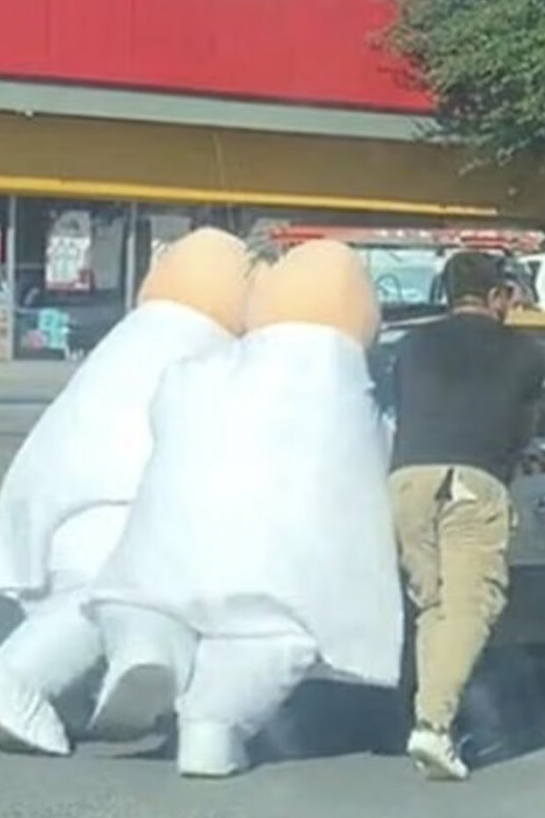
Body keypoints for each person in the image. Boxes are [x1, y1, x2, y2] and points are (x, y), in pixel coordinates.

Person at [82, 239, 403, 778]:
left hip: (172, 539)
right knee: (272, 634)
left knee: (145, 596)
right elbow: (378, 451)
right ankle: (211, 728)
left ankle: (146, 647)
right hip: (277, 559)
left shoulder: (200, 371)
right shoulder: (346, 388)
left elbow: (165, 407)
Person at [0, 228, 251, 757]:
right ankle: (15, 675)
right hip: (125, 503)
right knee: (104, 596)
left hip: (61, 497)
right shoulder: (215, 355)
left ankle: (125, 672)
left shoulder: (129, 341)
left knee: (107, 597)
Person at [387, 250, 545, 781]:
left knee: (433, 606)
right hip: (473, 483)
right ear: (497, 296)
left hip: (407, 481)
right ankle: (432, 727)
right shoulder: (522, 352)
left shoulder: (411, 345)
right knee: (470, 606)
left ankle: (434, 724)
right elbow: (526, 431)